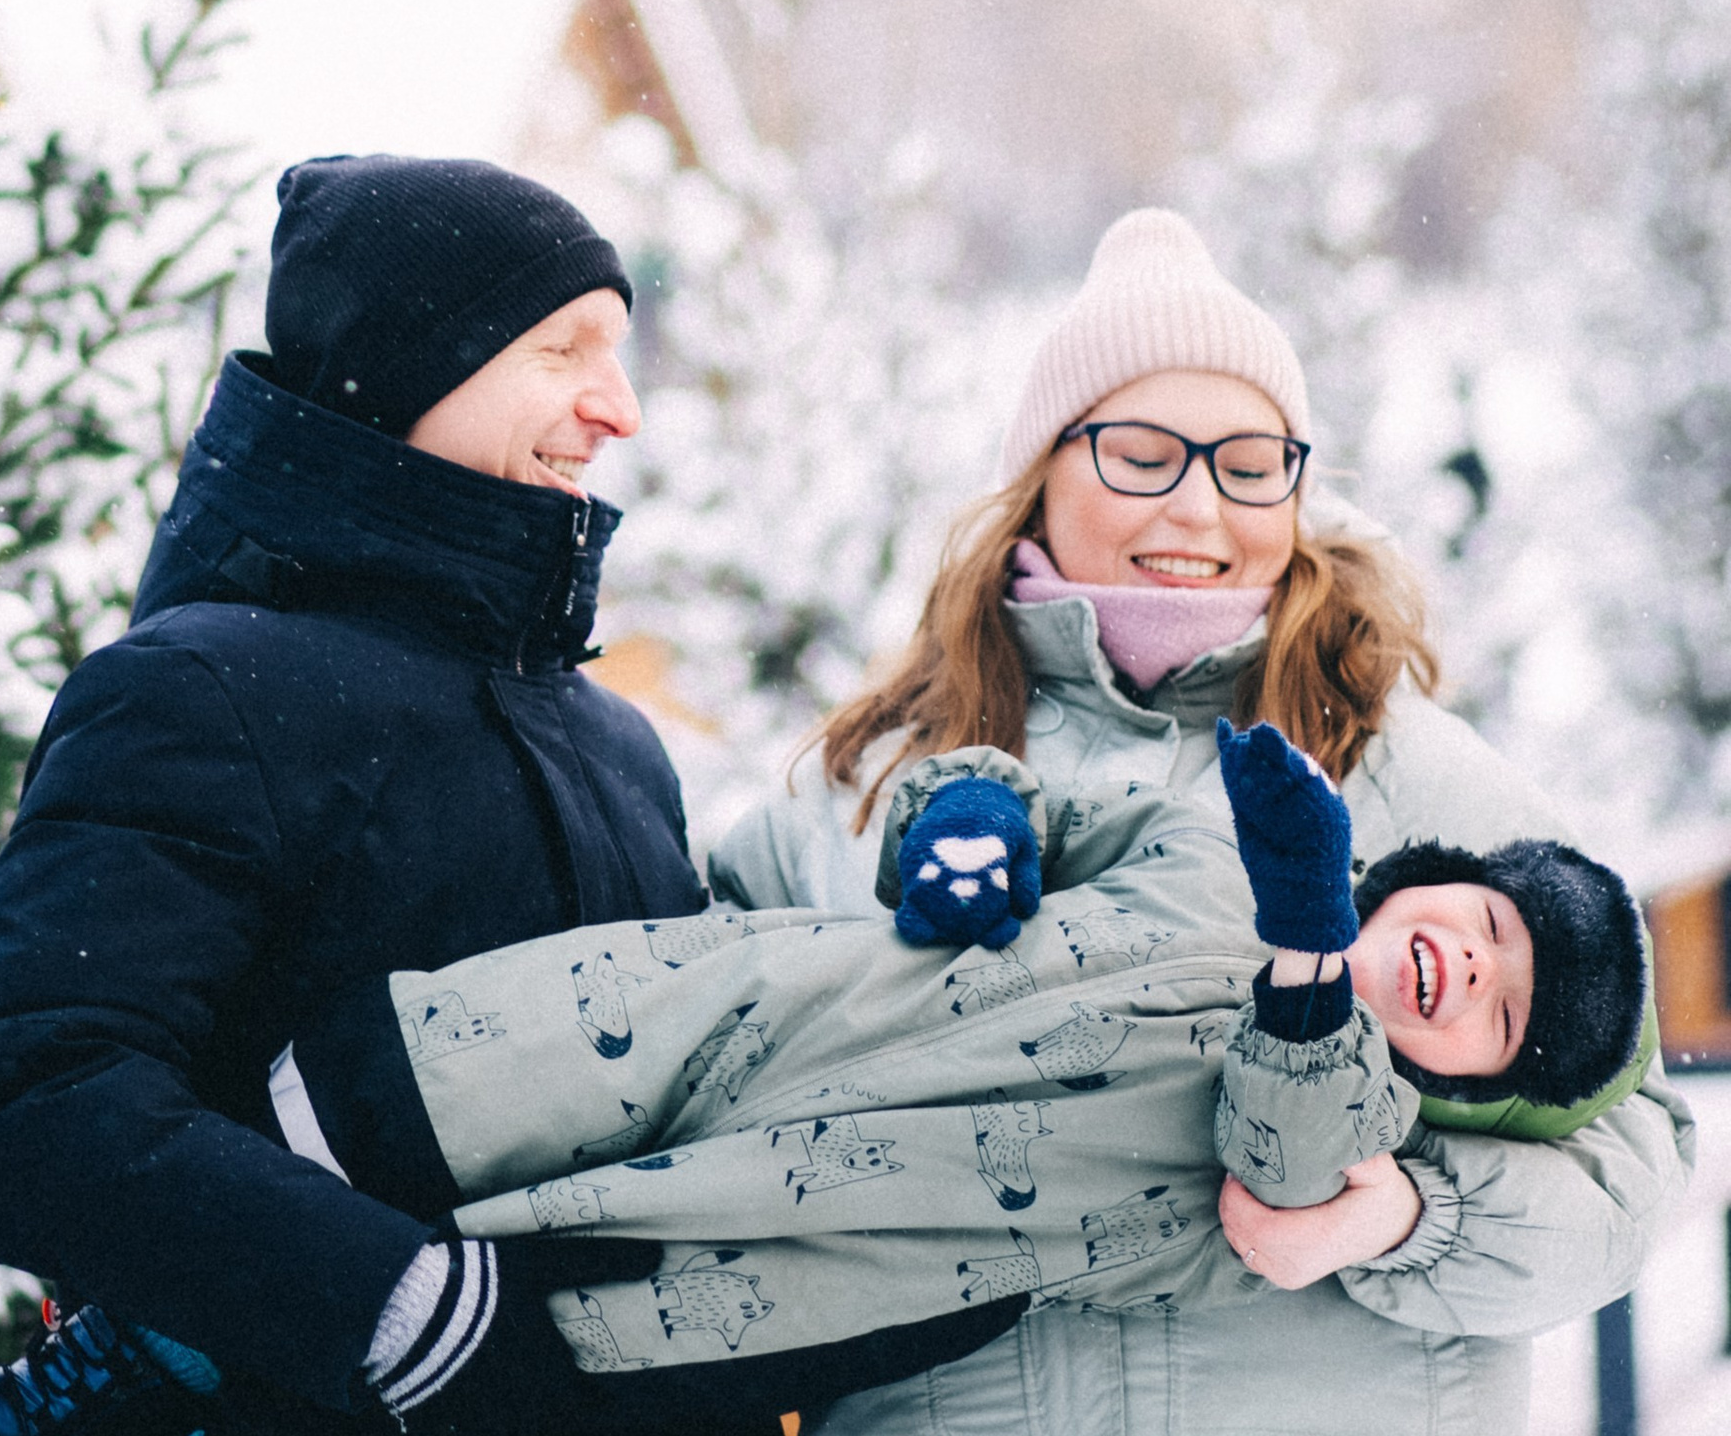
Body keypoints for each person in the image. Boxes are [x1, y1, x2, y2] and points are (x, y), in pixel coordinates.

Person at [0, 156, 1013, 1436]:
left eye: (618, 354)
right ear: (413, 366)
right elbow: (31, 1098)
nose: (617, 406)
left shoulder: (614, 742)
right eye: (563, 350)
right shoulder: (206, 687)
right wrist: (401, 1310)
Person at [703, 207, 1697, 1434]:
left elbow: (1636, 1157)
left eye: (1247, 463)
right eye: (1140, 452)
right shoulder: (868, 789)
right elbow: (689, 1084)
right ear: (1041, 469)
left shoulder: (1397, 769)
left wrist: (1407, 1215)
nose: (1198, 508)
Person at [266, 718, 1655, 1375]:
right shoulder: (1220, 843)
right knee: (354, 1123)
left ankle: (181, 1373)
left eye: (1502, 1010)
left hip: (794, 1243)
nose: (1474, 961)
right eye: (1487, 919)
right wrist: (961, 827)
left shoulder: (1349, 1150)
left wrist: (1304, 961)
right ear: (1426, 874)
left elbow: (1275, 1160)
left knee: (412, 1330)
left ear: (1473, 1085)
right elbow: (1019, 796)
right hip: (725, 1024)